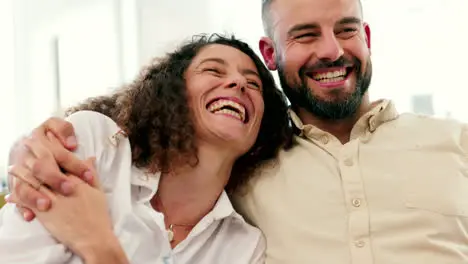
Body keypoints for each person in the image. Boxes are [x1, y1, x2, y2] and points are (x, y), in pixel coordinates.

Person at [5, 0, 468, 263]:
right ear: (272, 51)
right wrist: (27, 154)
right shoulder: (95, 148)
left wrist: (95, 245)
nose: (332, 50)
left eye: (346, 30)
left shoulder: (456, 143)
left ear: (367, 38)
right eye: (305, 35)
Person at [0, 34, 293, 263]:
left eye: (253, 84)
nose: (238, 82)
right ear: (172, 91)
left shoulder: (242, 247)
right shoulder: (94, 143)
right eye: (213, 70)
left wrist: (98, 244)